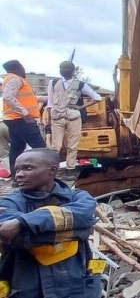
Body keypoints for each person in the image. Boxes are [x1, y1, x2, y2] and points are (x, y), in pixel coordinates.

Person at [0, 148, 101, 297]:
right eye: (17, 170)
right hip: (29, 285)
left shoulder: (79, 197)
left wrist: (23, 222)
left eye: (28, 168)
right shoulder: (9, 202)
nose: (19, 175)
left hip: (76, 281)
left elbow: (85, 220)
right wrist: (75, 230)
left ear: (52, 170)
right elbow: (18, 238)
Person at [47, 61, 102, 170]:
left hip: (73, 118)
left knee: (72, 146)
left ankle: (70, 168)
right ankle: (53, 169)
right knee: (55, 147)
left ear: (73, 72)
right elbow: (50, 102)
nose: (64, 72)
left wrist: (81, 107)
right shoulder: (53, 83)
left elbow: (97, 97)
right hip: (57, 117)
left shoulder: (80, 84)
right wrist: (49, 120)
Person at [1, 60, 46, 175]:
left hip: (15, 119)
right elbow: (8, 97)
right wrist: (25, 113)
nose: (24, 70)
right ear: (18, 68)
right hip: (21, 119)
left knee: (17, 147)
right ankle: (41, 174)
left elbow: (31, 98)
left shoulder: (14, 80)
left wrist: (51, 98)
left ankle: (17, 176)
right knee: (40, 147)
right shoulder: (15, 79)